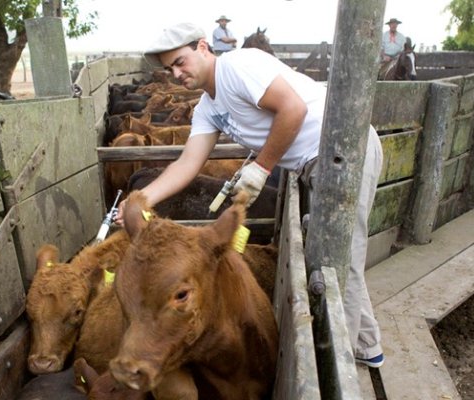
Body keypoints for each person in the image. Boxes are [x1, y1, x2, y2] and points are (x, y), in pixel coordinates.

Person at [116, 22, 385, 368]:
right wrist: (142, 199)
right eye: (170, 69)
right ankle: (367, 347)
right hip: (314, 162)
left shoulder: (238, 66)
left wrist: (261, 167)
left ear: (202, 47)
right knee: (339, 254)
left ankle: (338, 368)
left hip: (343, 149)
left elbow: (293, 109)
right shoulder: (207, 108)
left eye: (180, 62)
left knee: (339, 260)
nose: (176, 74)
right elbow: (188, 163)